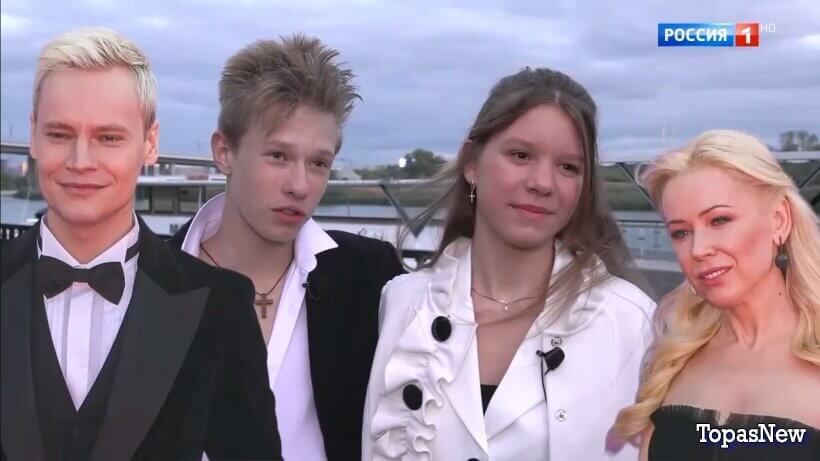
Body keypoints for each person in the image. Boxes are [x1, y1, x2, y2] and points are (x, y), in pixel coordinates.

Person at [0, 28, 282, 461]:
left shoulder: (220, 307)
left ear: (150, 143)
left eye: (108, 138)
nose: (81, 161)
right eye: (60, 134)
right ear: (34, 134)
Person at [362, 67, 656, 460]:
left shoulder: (630, 321)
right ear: (471, 162)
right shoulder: (403, 303)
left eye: (568, 166)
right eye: (521, 155)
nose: (543, 182)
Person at [167, 34, 405, 461]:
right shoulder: (146, 279)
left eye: (318, 163)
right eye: (278, 155)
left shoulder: (370, 279)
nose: (300, 186)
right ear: (224, 151)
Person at [613, 130, 820, 460]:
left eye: (720, 220)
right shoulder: (671, 362)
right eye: (681, 232)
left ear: (779, 221)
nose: (698, 249)